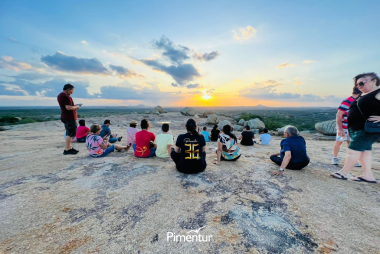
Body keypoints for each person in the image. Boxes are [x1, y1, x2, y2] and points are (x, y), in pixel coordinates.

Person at [331, 72, 380, 183]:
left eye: (362, 83)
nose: (359, 86)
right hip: (359, 129)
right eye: (357, 84)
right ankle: (368, 176)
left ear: (374, 81)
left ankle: (343, 173)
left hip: (366, 130)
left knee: (353, 151)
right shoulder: (365, 94)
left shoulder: (378, 92)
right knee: (364, 152)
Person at [332, 86, 361, 165]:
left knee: (351, 143)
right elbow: (339, 115)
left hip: (353, 127)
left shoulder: (359, 100)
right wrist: (340, 129)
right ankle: (335, 158)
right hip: (343, 126)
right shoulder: (347, 101)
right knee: (339, 142)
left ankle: (352, 160)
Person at [57, 83, 82, 155]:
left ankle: (69, 147)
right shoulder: (66, 96)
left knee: (69, 132)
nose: (72, 92)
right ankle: (67, 149)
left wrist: (73, 106)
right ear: (68, 89)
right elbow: (68, 108)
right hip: (69, 117)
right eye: (72, 91)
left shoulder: (60, 95)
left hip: (65, 116)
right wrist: (77, 107)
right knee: (70, 133)